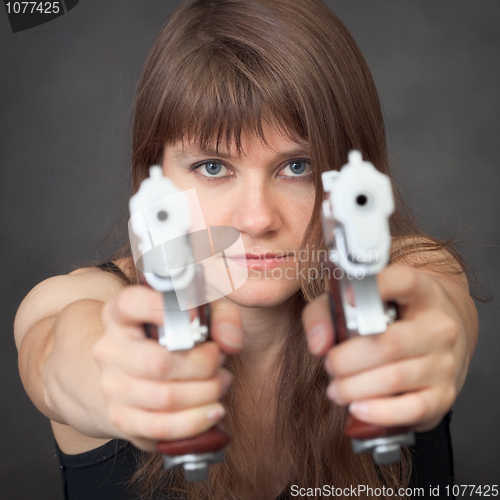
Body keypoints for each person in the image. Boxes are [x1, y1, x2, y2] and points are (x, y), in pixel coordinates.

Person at [14, 0, 478, 499]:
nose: (257, 219)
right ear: (153, 178)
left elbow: (438, 309)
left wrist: (424, 343)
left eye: (297, 167)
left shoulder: (412, 274)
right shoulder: (79, 301)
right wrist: (113, 377)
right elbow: (58, 356)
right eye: (213, 167)